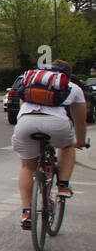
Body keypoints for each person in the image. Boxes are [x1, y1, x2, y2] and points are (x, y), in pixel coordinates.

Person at [14, 59, 89, 230]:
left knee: (27, 167)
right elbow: (80, 121)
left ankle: (26, 212)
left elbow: (22, 106)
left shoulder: (32, 83)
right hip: (57, 125)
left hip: (26, 123)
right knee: (67, 146)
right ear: (67, 74)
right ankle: (63, 185)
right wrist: (80, 141)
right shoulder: (73, 87)